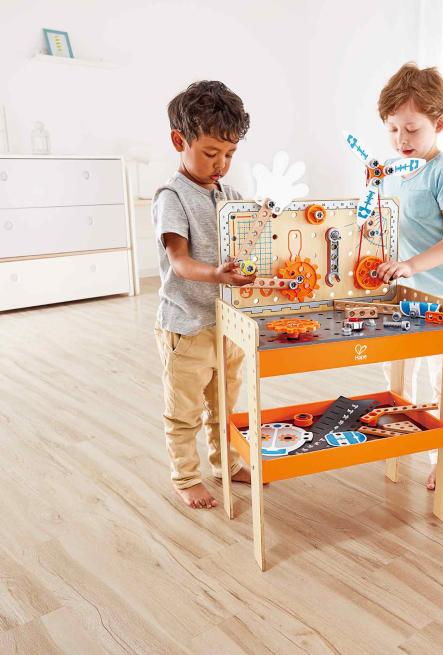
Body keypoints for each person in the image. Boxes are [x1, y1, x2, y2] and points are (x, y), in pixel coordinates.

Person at [153, 81, 256, 509]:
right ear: (180, 141)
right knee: (185, 412)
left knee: (224, 406)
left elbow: (249, 247)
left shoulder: (230, 197)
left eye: (229, 154)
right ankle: (186, 477)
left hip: (226, 326)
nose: (221, 164)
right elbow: (179, 261)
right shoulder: (172, 196)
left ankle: (225, 464)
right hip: (187, 327)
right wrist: (216, 274)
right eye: (211, 153)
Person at [376, 63, 443, 491]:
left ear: (440, 123)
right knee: (396, 368)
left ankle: (440, 456)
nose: (402, 139)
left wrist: (413, 265)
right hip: (404, 291)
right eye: (393, 129)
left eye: (412, 129)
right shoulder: (393, 170)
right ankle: (402, 435)